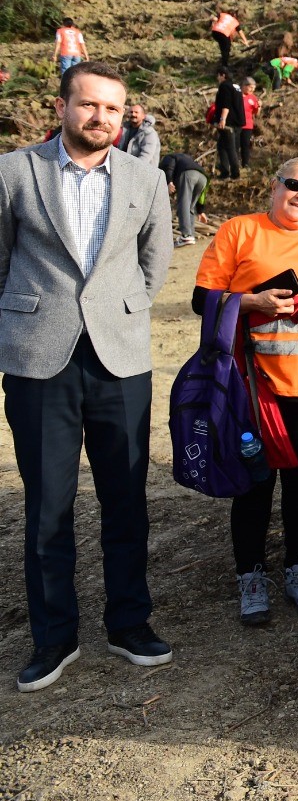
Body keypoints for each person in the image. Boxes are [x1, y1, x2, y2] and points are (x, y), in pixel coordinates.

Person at [1, 61, 174, 692]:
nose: (100, 117)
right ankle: (54, 637)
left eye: (113, 108)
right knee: (48, 504)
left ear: (124, 115)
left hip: (119, 360)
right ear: (62, 107)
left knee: (125, 500)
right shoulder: (15, 171)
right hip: (38, 358)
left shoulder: (144, 176)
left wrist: (118, 309)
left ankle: (129, 623)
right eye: (88, 105)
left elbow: (154, 261)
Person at [194, 158, 298, 625]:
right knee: (254, 485)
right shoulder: (239, 232)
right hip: (250, 388)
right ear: (274, 185)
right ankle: (251, 578)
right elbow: (201, 298)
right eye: (295, 184)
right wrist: (253, 302)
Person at [161, 151, 208, 248]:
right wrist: (201, 211)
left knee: (184, 203)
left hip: (189, 175)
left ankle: (186, 235)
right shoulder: (188, 159)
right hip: (203, 177)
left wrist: (169, 181)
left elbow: (168, 166)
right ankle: (191, 236)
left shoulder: (168, 157)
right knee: (191, 206)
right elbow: (202, 195)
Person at [208, 70, 246, 180]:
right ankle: (224, 171)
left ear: (223, 75)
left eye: (218, 75)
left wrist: (222, 119)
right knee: (222, 146)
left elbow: (226, 104)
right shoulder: (236, 86)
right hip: (238, 122)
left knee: (230, 148)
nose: (217, 78)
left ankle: (235, 173)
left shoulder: (225, 86)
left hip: (228, 123)